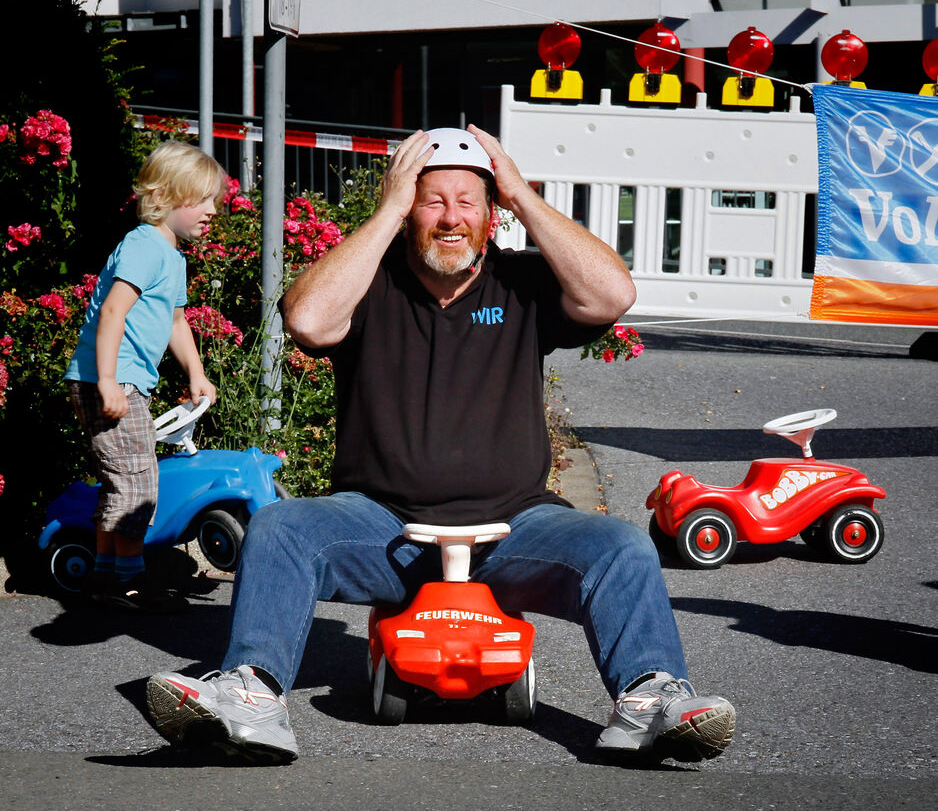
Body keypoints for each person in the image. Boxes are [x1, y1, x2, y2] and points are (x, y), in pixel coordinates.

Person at [145, 127, 735, 764]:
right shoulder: (370, 283)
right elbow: (308, 321)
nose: (450, 218)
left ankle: (649, 701)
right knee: (282, 528)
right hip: (382, 529)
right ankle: (250, 698)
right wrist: (388, 209)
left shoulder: (524, 286)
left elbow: (613, 294)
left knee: (619, 546)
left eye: (469, 201)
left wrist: (520, 193)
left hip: (517, 527)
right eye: (431, 201)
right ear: (407, 209)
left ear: (490, 214)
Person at [64, 140, 222, 612]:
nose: (213, 210)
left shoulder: (172, 256)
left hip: (122, 378)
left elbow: (175, 321)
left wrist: (195, 371)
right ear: (166, 196)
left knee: (127, 479)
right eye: (203, 199)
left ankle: (109, 576)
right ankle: (122, 580)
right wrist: (108, 380)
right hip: (111, 378)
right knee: (136, 482)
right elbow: (114, 310)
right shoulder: (144, 245)